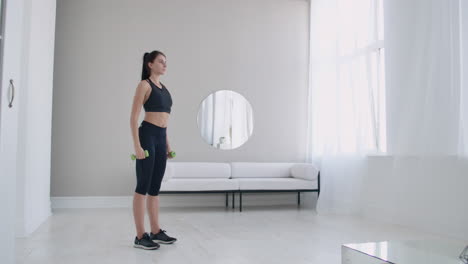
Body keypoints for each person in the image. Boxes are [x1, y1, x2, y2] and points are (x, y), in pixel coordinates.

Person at [130, 50, 177, 250]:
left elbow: (164, 120)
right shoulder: (144, 85)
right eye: (161, 61)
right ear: (150, 64)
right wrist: (138, 147)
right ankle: (140, 236)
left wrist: (167, 144)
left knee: (155, 187)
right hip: (147, 136)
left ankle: (156, 231)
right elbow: (133, 118)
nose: (165, 65)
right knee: (143, 186)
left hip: (160, 138)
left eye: (166, 62)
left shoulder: (164, 88)